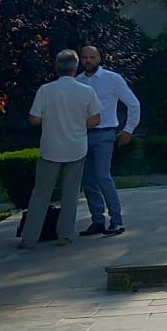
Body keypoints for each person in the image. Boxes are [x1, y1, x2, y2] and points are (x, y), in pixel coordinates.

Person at [21, 49, 102, 249]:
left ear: (56, 68)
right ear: (76, 68)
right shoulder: (86, 91)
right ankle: (65, 234)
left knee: (41, 193)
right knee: (70, 194)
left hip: (50, 148)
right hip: (76, 147)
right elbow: (95, 119)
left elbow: (34, 118)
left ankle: (29, 237)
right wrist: (79, 123)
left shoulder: (45, 90)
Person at [76, 44, 142, 238]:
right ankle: (97, 219)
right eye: (85, 57)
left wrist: (128, 129)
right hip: (82, 134)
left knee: (103, 176)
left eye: (92, 57)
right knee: (87, 179)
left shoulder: (112, 79)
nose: (88, 60)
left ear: (99, 59)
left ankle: (116, 219)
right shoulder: (78, 81)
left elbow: (133, 103)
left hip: (104, 133)